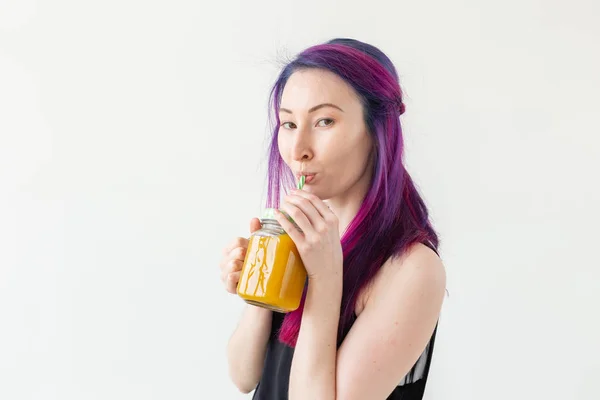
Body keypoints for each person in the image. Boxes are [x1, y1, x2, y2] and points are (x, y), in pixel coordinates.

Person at [219, 38, 446, 400]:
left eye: (324, 121)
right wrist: (257, 290)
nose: (298, 150)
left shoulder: (412, 268)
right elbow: (243, 376)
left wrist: (324, 278)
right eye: (289, 124)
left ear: (377, 130)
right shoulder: (298, 238)